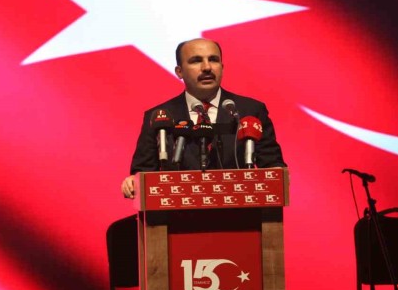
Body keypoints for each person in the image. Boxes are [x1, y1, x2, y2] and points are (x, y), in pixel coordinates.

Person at [121, 38, 286, 198]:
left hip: (239, 207)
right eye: (196, 61)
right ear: (179, 71)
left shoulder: (250, 110)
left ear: (222, 67)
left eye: (213, 60)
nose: (207, 67)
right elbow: (142, 172)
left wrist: (278, 175)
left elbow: (273, 166)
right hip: (179, 210)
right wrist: (134, 182)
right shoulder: (159, 116)